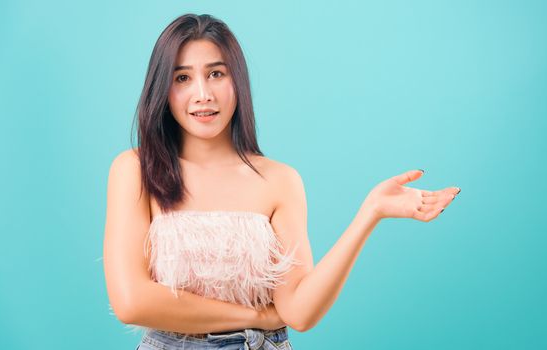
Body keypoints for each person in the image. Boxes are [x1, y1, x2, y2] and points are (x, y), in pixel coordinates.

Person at [103, 13, 460, 350]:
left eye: (216, 74)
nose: (203, 95)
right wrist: (256, 317)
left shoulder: (279, 180)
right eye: (182, 78)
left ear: (238, 81)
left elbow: (299, 312)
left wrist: (371, 212)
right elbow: (131, 302)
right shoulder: (136, 169)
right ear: (162, 90)